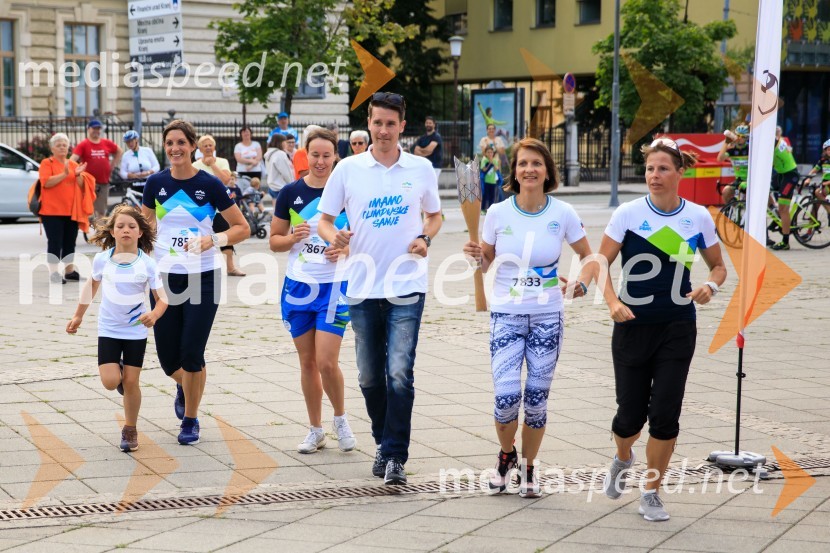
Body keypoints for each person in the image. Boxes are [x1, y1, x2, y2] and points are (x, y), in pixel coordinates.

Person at [317, 92, 442, 486]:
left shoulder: (420, 168)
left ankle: (394, 457)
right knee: (370, 376)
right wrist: (334, 236)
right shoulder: (348, 168)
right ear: (368, 124)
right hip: (361, 286)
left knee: (399, 373)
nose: (384, 130)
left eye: (391, 123)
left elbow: (435, 216)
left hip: (407, 284)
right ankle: (382, 441)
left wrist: (425, 237)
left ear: (403, 125)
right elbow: (324, 220)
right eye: (377, 123)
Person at [599, 137, 726, 522]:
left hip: (677, 327)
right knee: (628, 418)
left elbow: (718, 266)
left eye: (663, 169)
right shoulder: (629, 214)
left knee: (665, 414)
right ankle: (623, 457)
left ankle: (651, 492)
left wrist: (711, 286)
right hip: (632, 326)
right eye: (650, 169)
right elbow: (599, 262)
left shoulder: (698, 217)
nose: (655, 176)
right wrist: (612, 303)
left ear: (679, 172)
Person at [463, 138, 594, 498]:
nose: (529, 169)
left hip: (547, 316)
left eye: (536, 163)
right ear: (514, 171)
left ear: (547, 170)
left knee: (536, 400)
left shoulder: (563, 213)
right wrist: (477, 254)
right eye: (523, 164)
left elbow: (589, 256)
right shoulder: (498, 213)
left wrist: (582, 283)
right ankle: (507, 455)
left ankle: (529, 466)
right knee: (506, 399)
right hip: (506, 315)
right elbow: (486, 261)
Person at [141, 119, 250, 445]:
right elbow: (145, 228)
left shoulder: (210, 184)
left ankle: (190, 419)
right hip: (164, 278)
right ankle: (184, 384)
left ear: (192, 147)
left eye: (180, 143)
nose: (175, 148)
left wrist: (213, 240)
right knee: (168, 360)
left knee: (192, 353)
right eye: (169, 143)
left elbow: (241, 227)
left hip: (203, 276)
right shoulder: (155, 183)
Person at [270, 128, 356, 455]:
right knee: (307, 362)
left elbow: (364, 242)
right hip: (298, 288)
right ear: (306, 156)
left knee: (327, 361)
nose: (320, 161)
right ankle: (315, 430)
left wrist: (345, 251)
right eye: (315, 155)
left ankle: (341, 419)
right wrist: (292, 237)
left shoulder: (348, 192)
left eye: (326, 155)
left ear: (336, 156)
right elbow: (274, 241)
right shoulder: (291, 193)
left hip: (335, 287)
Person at [66, 205, 167, 452]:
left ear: (140, 233)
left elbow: (163, 299)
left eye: (132, 226)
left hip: (135, 331)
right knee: (112, 382)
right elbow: (91, 287)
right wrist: (78, 316)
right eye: (120, 226)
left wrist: (153, 314)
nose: (126, 230)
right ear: (112, 231)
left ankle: (130, 429)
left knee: (132, 383)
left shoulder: (148, 264)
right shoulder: (102, 259)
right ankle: (119, 373)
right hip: (109, 328)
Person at [38, 133, 93, 284]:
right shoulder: (46, 163)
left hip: (71, 211)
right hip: (51, 212)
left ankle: (69, 271)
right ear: (52, 148)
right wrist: (64, 174)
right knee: (55, 242)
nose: (62, 147)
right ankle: (54, 273)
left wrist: (78, 175)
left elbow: (82, 187)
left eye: (64, 145)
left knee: (70, 241)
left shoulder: (73, 164)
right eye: (58, 145)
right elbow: (46, 183)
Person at [193, 135, 245, 276]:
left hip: (220, 208)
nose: (208, 147)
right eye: (205, 145)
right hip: (202, 208)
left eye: (211, 145)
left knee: (225, 236)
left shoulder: (222, 162)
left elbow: (226, 180)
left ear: (214, 147)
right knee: (198, 236)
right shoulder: (195, 165)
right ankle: (197, 267)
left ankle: (230, 267)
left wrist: (212, 165)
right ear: (200, 149)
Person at [71, 119, 123, 218]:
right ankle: (88, 229)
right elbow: (72, 160)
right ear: (88, 129)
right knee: (88, 209)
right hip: (89, 183)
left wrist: (112, 165)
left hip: (103, 182)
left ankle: (100, 231)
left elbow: (119, 151)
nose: (96, 131)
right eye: (94, 128)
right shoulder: (83, 144)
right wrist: (78, 172)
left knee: (101, 210)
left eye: (98, 128)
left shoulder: (106, 143)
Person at [770, 131, 800, 251]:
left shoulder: (772, 143)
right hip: (781, 174)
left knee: (783, 208)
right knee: (767, 193)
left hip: (790, 175)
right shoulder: (774, 140)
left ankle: (785, 242)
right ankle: (776, 220)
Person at [716, 124, 749, 204]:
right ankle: (732, 210)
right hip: (738, 180)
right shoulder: (732, 150)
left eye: (742, 136)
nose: (740, 138)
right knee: (725, 192)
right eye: (738, 135)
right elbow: (720, 159)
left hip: (750, 180)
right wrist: (727, 141)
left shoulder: (750, 149)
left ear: (746, 138)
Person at [263, 133, 295, 201]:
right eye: (285, 142)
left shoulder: (269, 153)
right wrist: (292, 185)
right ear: (281, 142)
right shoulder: (280, 154)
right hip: (281, 187)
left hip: (272, 186)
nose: (286, 144)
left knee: (277, 209)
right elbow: (286, 173)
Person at [479, 145, 503, 214]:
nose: (490, 154)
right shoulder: (484, 160)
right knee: (485, 196)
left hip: (493, 181)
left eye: (491, 152)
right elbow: (484, 169)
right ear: (485, 153)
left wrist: (494, 163)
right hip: (486, 181)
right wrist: (490, 163)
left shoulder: (495, 160)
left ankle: (490, 210)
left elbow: (497, 169)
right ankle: (483, 209)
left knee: (492, 197)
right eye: (488, 152)